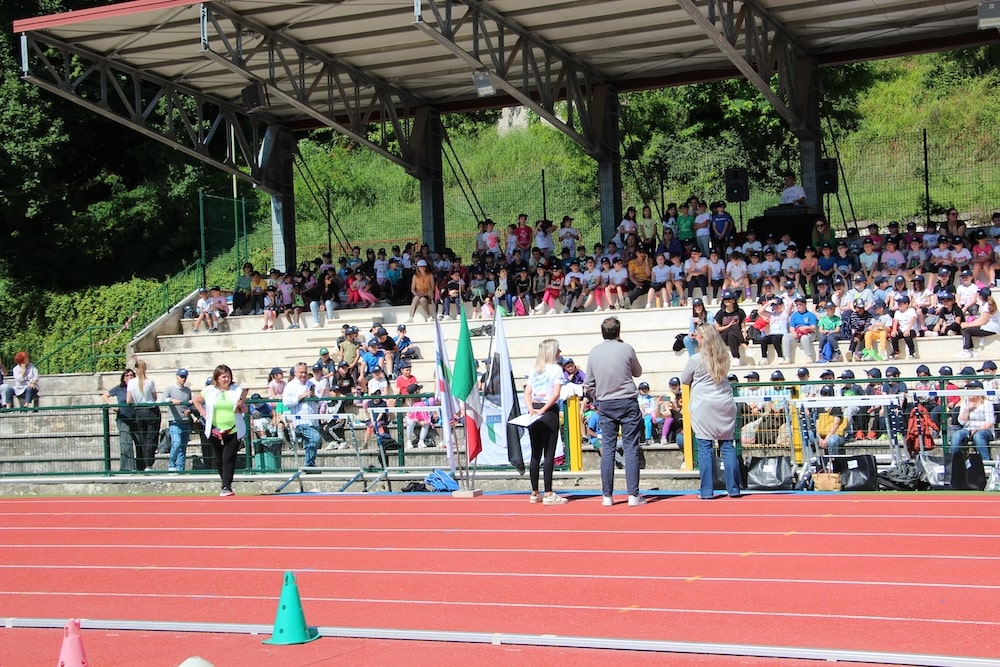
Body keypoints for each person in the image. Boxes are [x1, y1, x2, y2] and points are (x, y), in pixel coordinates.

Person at [583, 316, 645, 507]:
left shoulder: (594, 352)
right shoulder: (626, 348)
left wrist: (597, 399)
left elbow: (588, 383)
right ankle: (633, 494)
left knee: (608, 448)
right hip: (626, 400)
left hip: (606, 403)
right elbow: (638, 372)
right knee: (631, 447)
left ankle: (607, 495)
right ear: (618, 331)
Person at [681, 323, 740, 499]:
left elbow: (684, 379)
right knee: (727, 445)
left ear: (703, 338)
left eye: (698, 336)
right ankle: (734, 488)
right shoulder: (724, 356)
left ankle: (707, 490)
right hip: (724, 402)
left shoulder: (695, 359)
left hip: (704, 405)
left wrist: (691, 347)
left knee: (705, 447)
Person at [192, 364, 248, 496]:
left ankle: (227, 485)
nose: (226, 379)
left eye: (228, 376)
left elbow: (244, 410)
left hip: (233, 429)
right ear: (217, 378)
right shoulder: (209, 390)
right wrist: (204, 414)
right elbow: (196, 400)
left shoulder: (236, 390)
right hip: (215, 429)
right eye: (223, 377)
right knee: (219, 458)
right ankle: (224, 482)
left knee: (228, 456)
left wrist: (242, 405)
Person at [524, 339, 567, 505]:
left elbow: (527, 392)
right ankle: (548, 492)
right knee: (549, 453)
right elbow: (555, 394)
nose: (560, 352)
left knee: (536, 452)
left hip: (535, 408)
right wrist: (543, 410)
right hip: (548, 411)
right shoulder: (556, 369)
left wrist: (531, 409)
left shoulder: (535, 369)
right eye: (558, 350)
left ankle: (534, 491)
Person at [282, 362, 323, 467]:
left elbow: (321, 401)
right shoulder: (290, 386)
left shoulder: (311, 384)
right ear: (295, 373)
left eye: (305, 372)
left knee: (312, 443)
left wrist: (314, 396)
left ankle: (310, 466)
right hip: (300, 421)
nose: (303, 375)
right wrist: (301, 396)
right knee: (315, 438)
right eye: (301, 372)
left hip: (313, 420)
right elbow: (286, 402)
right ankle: (308, 464)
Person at [126, 358, 160, 472]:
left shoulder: (131, 382)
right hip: (151, 410)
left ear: (136, 369)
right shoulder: (150, 381)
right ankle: (149, 464)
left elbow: (128, 400)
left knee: (143, 438)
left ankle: (145, 464)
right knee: (152, 438)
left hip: (139, 411)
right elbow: (155, 397)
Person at [102, 368, 138, 471]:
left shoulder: (137, 387)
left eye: (131, 375)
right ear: (123, 378)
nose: (129, 377)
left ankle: (141, 467)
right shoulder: (119, 388)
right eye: (127, 375)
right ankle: (127, 468)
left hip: (136, 418)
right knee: (126, 443)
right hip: (123, 418)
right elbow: (105, 395)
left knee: (140, 443)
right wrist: (112, 405)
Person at [162, 368, 193, 472]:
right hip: (174, 421)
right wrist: (172, 400)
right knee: (176, 443)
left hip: (185, 421)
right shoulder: (170, 389)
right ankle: (171, 464)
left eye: (185, 377)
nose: (183, 379)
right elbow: (164, 399)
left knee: (183, 447)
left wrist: (189, 410)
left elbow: (190, 404)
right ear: (177, 376)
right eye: (181, 376)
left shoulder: (187, 390)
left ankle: (180, 468)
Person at [957, 287, 1000, 358]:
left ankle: (966, 350)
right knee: (966, 329)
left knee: (966, 330)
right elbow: (981, 319)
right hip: (988, 327)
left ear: (980, 296)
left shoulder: (987, 306)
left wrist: (968, 325)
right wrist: (969, 324)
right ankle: (971, 350)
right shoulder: (985, 304)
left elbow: (983, 321)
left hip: (991, 329)